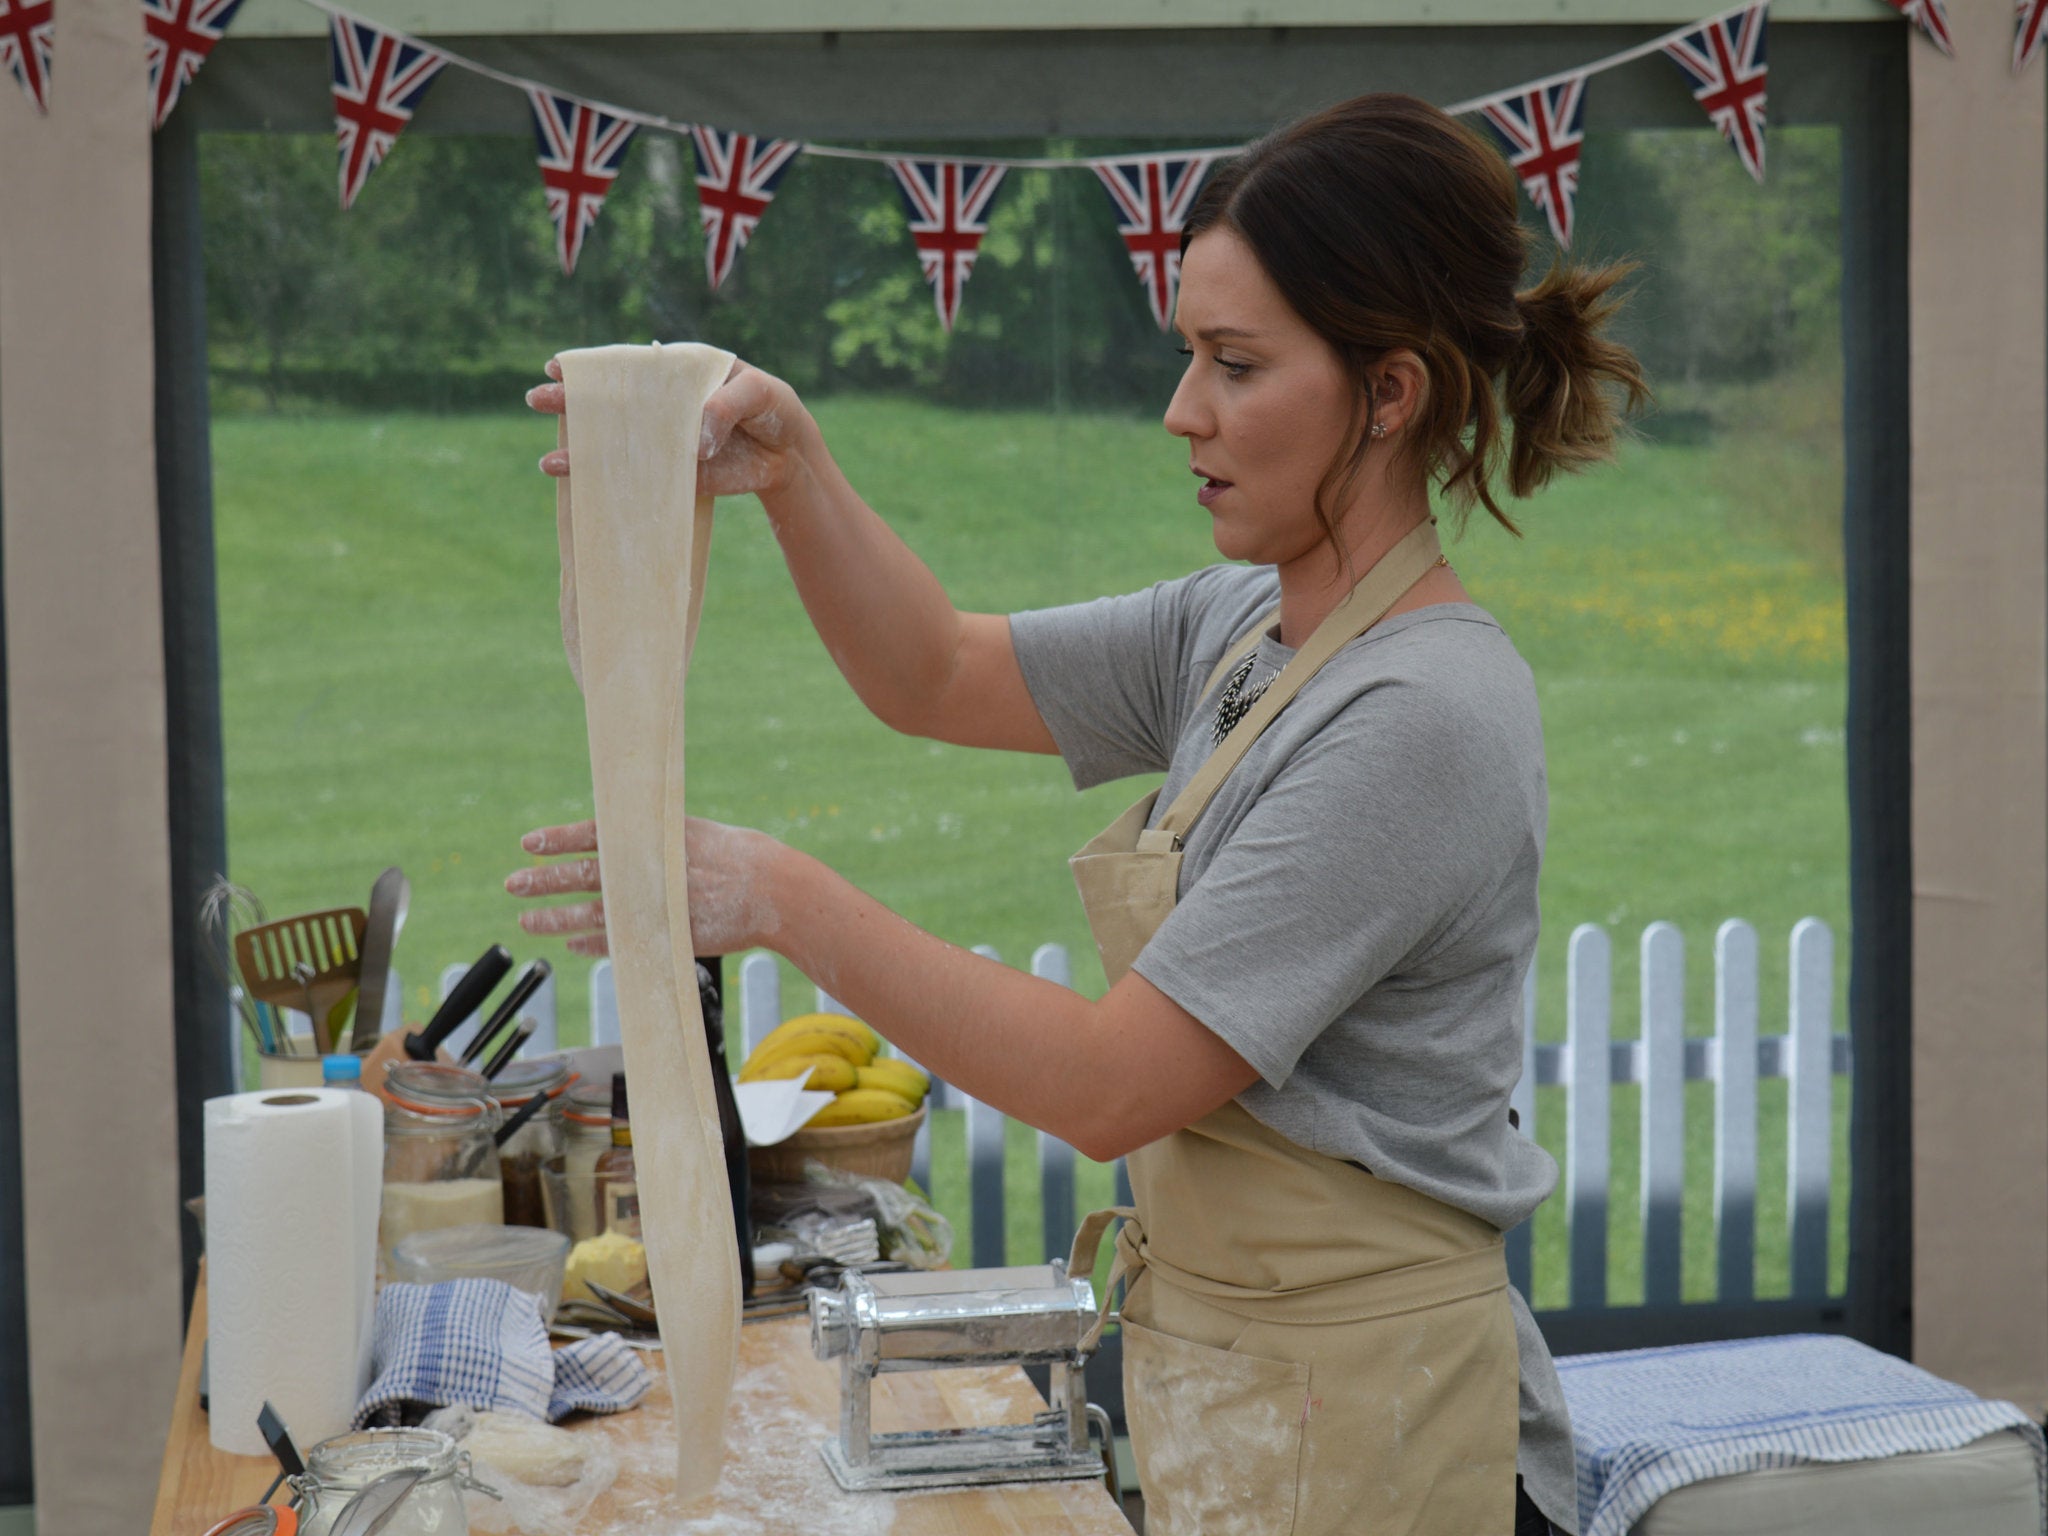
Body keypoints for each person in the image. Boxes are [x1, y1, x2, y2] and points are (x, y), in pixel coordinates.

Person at [511, 92, 1647, 1536]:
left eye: (1237, 365)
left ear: (1390, 392)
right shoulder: (1237, 630)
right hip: (1247, 1393)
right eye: (1189, 356)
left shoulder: (1421, 717)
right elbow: (934, 670)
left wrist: (785, 899)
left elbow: (1115, 1084)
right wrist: (793, 468)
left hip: (1388, 1434)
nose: (1184, 410)